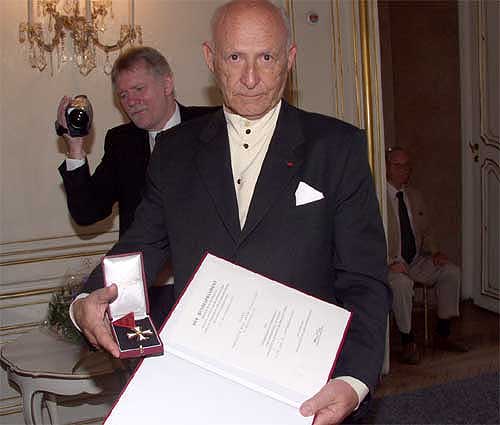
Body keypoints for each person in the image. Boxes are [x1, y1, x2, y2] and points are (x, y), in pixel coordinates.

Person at [72, 1, 391, 423]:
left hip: (308, 390)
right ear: (211, 59)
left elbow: (364, 279)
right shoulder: (173, 152)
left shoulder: (337, 148)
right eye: (236, 57)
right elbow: (138, 247)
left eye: (267, 57)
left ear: (290, 59)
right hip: (200, 388)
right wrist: (85, 301)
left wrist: (353, 379)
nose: (251, 77)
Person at [56, 46, 218, 327]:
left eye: (139, 89)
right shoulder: (121, 142)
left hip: (209, 289)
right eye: (123, 95)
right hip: (142, 294)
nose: (131, 101)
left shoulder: (213, 125)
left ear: (167, 84)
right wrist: (75, 146)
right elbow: (87, 213)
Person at [386, 146, 468, 365]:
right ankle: (408, 341)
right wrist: (388, 263)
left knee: (451, 271)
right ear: (387, 167)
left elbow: (427, 230)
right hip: (390, 263)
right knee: (401, 284)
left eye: (406, 166)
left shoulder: (414, 196)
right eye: (397, 165)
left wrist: (435, 252)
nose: (403, 170)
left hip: (415, 260)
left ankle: (443, 333)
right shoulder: (377, 199)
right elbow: (369, 239)